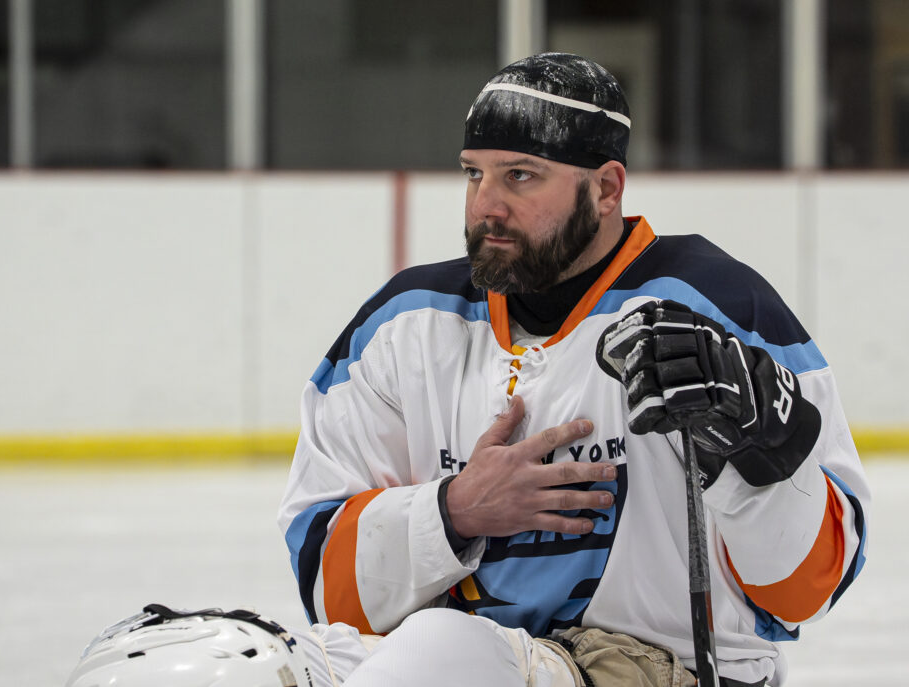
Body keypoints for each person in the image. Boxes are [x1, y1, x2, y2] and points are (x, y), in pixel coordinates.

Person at [278, 53, 870, 687]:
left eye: (521, 176)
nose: (486, 206)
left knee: (439, 653)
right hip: (459, 663)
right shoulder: (402, 327)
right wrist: (453, 512)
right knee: (225, 660)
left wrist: (758, 463)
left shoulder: (717, 310)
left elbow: (809, 590)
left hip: (662, 670)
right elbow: (327, 589)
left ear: (607, 188)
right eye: (474, 175)